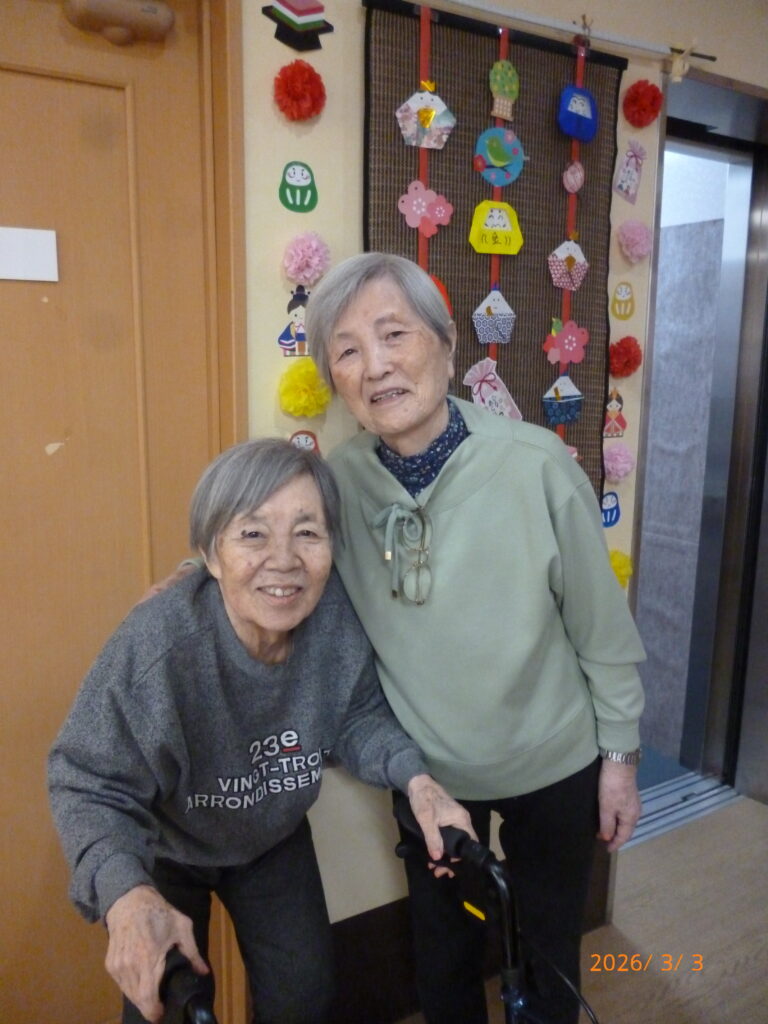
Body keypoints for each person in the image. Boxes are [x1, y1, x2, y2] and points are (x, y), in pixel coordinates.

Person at [302, 252, 647, 1024]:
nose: (375, 366)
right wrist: (196, 580)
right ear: (335, 378)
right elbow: (263, 547)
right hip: (429, 775)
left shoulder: (535, 463)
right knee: (445, 956)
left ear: (447, 342)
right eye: (348, 350)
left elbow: (602, 630)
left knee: (550, 956)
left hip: (554, 761)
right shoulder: (338, 483)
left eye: (394, 334)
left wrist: (620, 760)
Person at [47, 438, 473, 1024]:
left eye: (307, 532)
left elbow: (357, 716)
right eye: (253, 533)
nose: (284, 560)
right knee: (165, 1009)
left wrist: (417, 780)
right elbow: (86, 781)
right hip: (167, 843)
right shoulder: (158, 645)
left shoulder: (334, 617)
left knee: (305, 995)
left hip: (272, 836)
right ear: (211, 553)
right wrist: (125, 894)